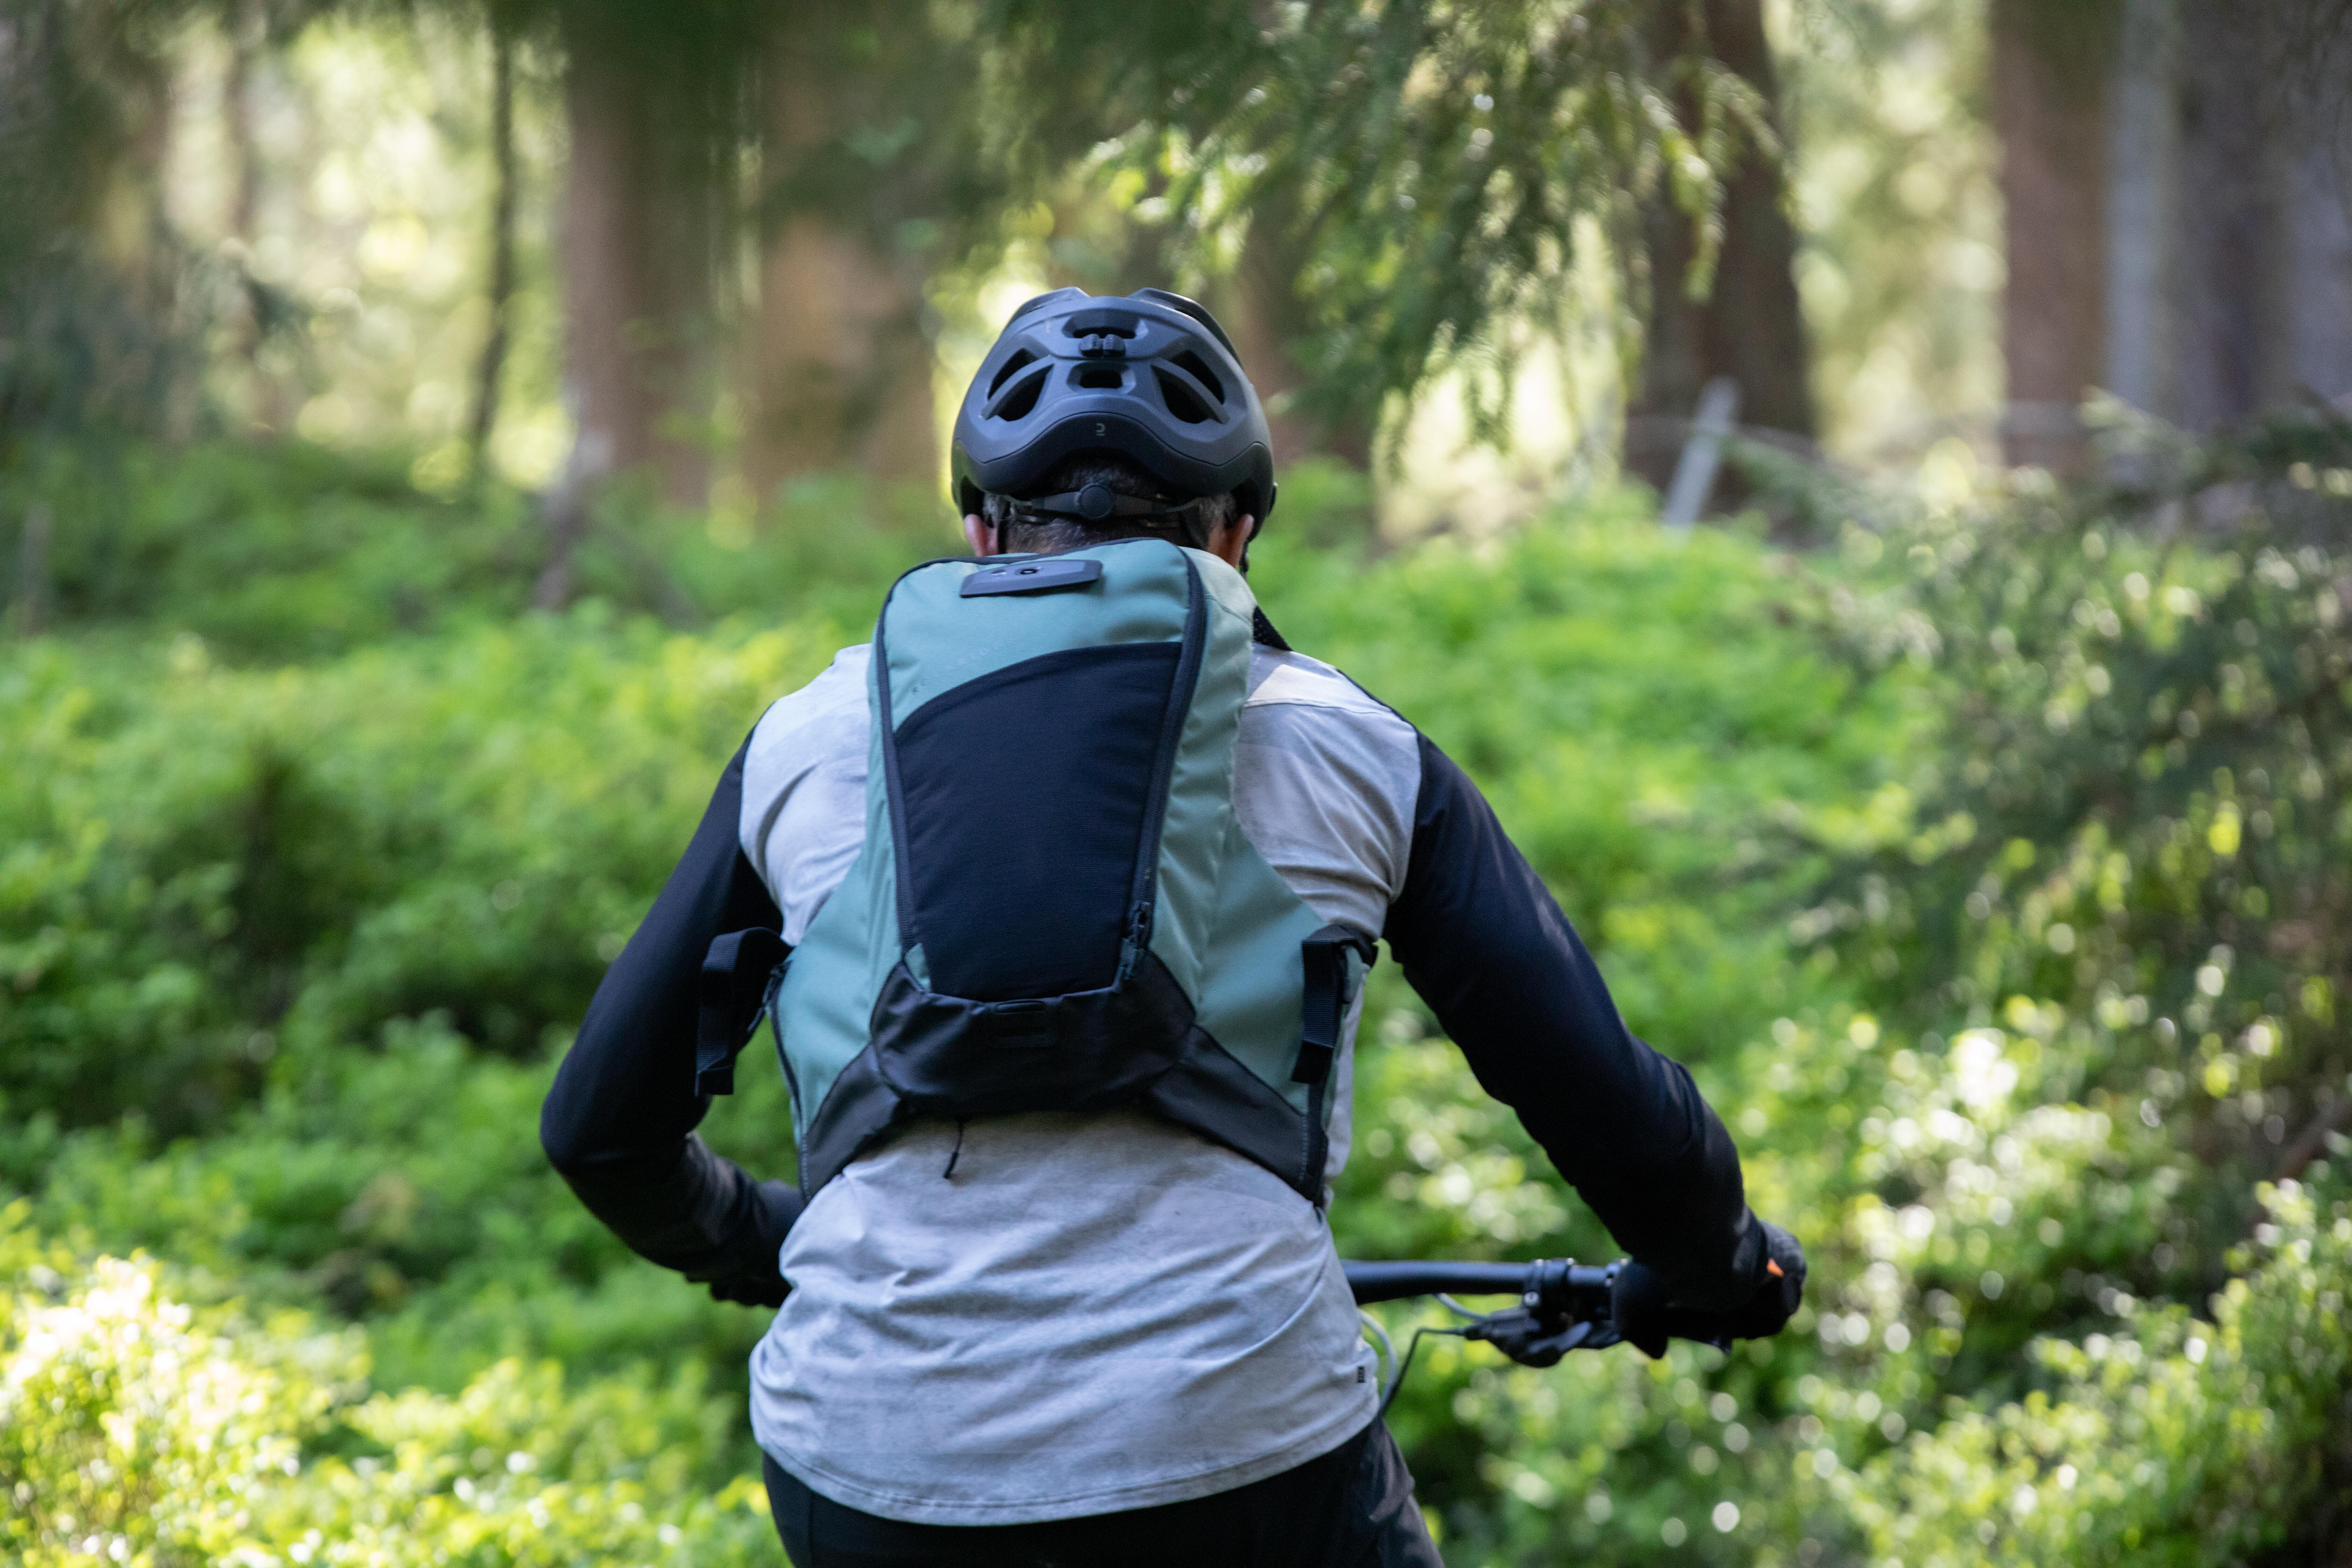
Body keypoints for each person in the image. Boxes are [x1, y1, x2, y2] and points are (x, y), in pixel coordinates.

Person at [540, 287, 1804, 1567]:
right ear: (1240, 535)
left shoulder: (804, 743)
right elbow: (1609, 1109)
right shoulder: (1353, 748)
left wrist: (768, 1240)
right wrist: (1718, 1265)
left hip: (867, 1462)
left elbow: (601, 1129)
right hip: (1243, 1452)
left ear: (981, 531)